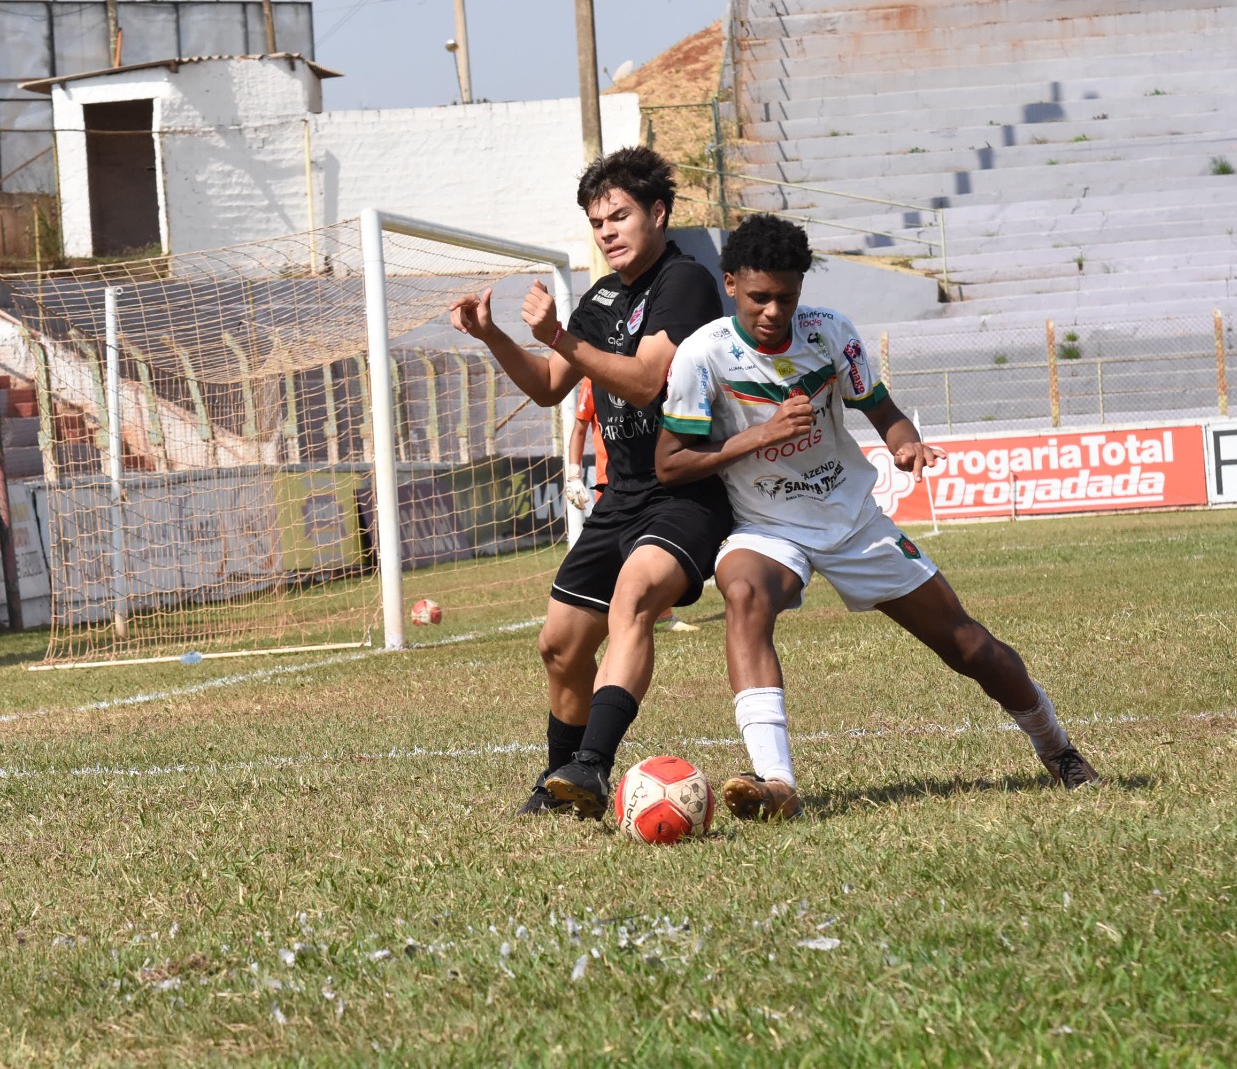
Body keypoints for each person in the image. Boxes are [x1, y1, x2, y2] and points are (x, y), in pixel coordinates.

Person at [655, 214, 1100, 820]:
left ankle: (1060, 751)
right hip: (767, 527)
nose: (773, 311)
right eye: (759, 297)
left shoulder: (832, 333)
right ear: (730, 282)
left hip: (852, 520)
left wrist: (904, 443)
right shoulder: (700, 355)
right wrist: (761, 437)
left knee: (968, 646)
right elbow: (672, 463)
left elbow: (882, 408)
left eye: (786, 297)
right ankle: (776, 781)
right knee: (743, 594)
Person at [448, 146, 730, 818]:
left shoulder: (684, 282)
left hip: (683, 490)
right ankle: (561, 785)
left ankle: (595, 767)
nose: (606, 230)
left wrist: (558, 335)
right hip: (621, 496)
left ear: (657, 213)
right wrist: (494, 337)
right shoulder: (603, 295)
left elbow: (646, 379)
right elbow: (550, 385)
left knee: (634, 598)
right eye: (597, 219)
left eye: (620, 215)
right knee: (559, 645)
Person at [567, 379, 699, 633]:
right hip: (612, 482)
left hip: (649, 479)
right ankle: (619, 612)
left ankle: (660, 615)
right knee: (621, 551)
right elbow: (580, 427)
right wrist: (574, 474)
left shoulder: (650, 374)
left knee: (648, 545)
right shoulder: (591, 381)